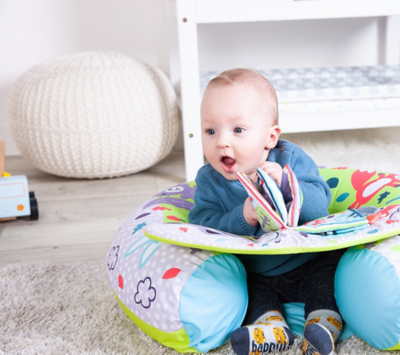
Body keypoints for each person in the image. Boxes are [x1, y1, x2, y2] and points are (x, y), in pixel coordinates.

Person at [188, 68, 343, 355]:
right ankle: (271, 330)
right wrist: (242, 216)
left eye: (237, 130)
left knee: (328, 275)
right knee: (242, 287)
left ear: (269, 137)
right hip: (256, 269)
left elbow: (321, 205)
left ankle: (322, 328)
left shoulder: (289, 158)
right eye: (211, 131)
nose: (222, 141)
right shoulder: (209, 180)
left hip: (308, 258)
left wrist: (288, 184)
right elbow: (201, 225)